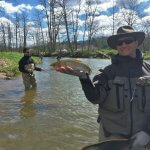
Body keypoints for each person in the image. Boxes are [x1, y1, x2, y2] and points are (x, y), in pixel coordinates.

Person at [55, 26, 150, 150]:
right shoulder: (107, 73)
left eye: (128, 40)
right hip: (111, 137)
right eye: (119, 42)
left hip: (143, 137)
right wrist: (84, 78)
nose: (123, 44)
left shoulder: (149, 70)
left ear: (137, 42)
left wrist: (147, 132)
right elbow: (96, 98)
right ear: (116, 47)